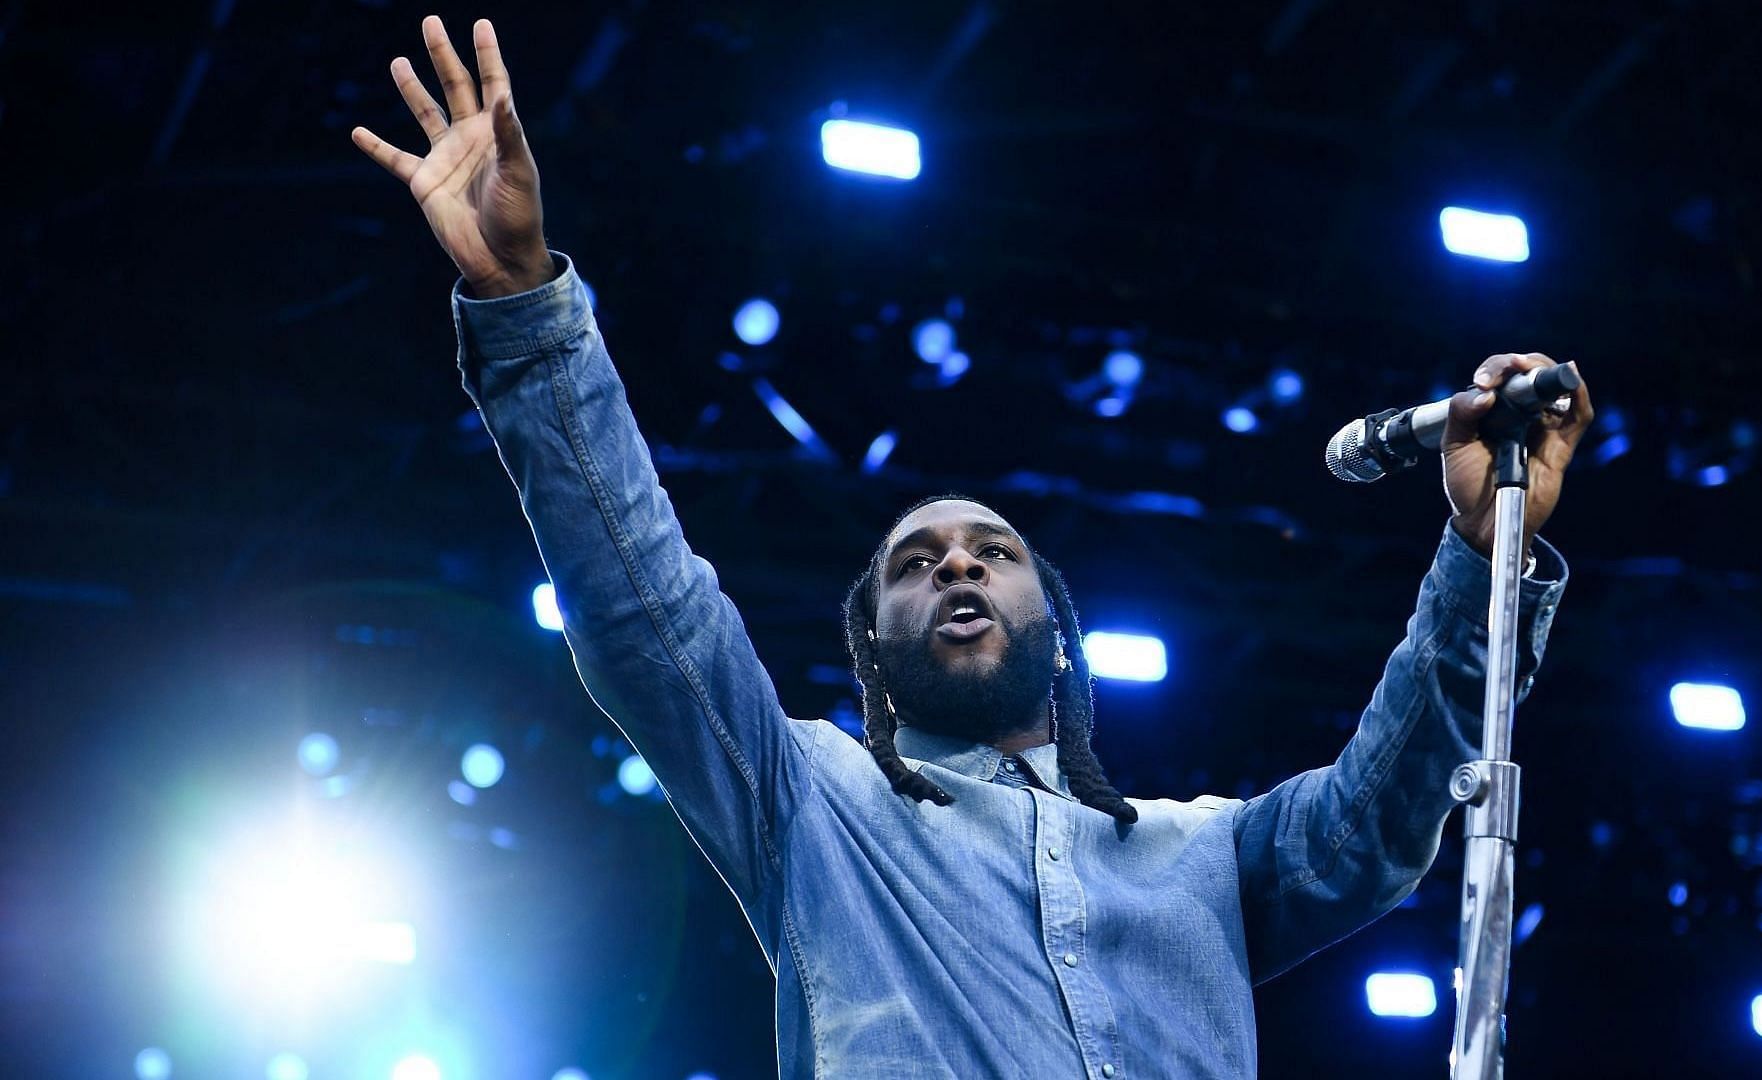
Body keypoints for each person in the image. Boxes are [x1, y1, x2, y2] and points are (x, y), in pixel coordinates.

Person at [353, 17, 1594, 1078]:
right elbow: (645, 612)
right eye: (914, 563)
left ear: (1059, 639)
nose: (953, 565)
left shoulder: (1203, 855)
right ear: (874, 658)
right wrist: (526, 304)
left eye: (989, 552)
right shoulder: (813, 803)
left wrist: (1479, 551)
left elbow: (1380, 821)